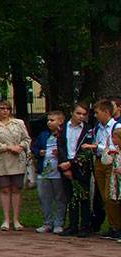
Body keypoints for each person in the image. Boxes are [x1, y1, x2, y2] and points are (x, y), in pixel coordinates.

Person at [0, 98, 31, 231]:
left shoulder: (18, 123)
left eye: (7, 109)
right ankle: (6, 219)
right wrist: (9, 147)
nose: (5, 111)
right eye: (2, 109)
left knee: (16, 189)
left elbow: (27, 139)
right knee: (4, 189)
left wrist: (21, 146)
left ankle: (16, 219)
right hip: (1, 162)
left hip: (17, 160)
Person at [82, 99, 120, 238]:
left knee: (111, 195)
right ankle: (112, 225)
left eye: (97, 112)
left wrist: (97, 147)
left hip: (112, 163)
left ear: (106, 112)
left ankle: (117, 226)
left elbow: (115, 147)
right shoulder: (98, 128)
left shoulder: (116, 126)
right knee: (104, 197)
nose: (95, 115)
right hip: (99, 162)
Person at [58, 102, 93, 237]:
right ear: (72, 112)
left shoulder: (88, 130)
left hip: (81, 167)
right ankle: (73, 225)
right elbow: (60, 147)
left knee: (83, 196)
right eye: (78, 113)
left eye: (84, 114)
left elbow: (86, 151)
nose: (81, 117)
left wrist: (72, 164)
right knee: (71, 197)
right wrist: (64, 164)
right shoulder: (63, 128)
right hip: (65, 165)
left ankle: (85, 226)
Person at [32, 110, 68, 235]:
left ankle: (58, 223)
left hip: (58, 172)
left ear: (61, 121)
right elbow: (34, 147)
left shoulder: (64, 135)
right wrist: (39, 152)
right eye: (48, 120)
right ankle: (47, 222)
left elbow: (68, 150)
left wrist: (60, 153)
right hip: (44, 171)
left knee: (60, 198)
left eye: (52, 120)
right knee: (44, 197)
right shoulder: (43, 135)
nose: (49, 122)